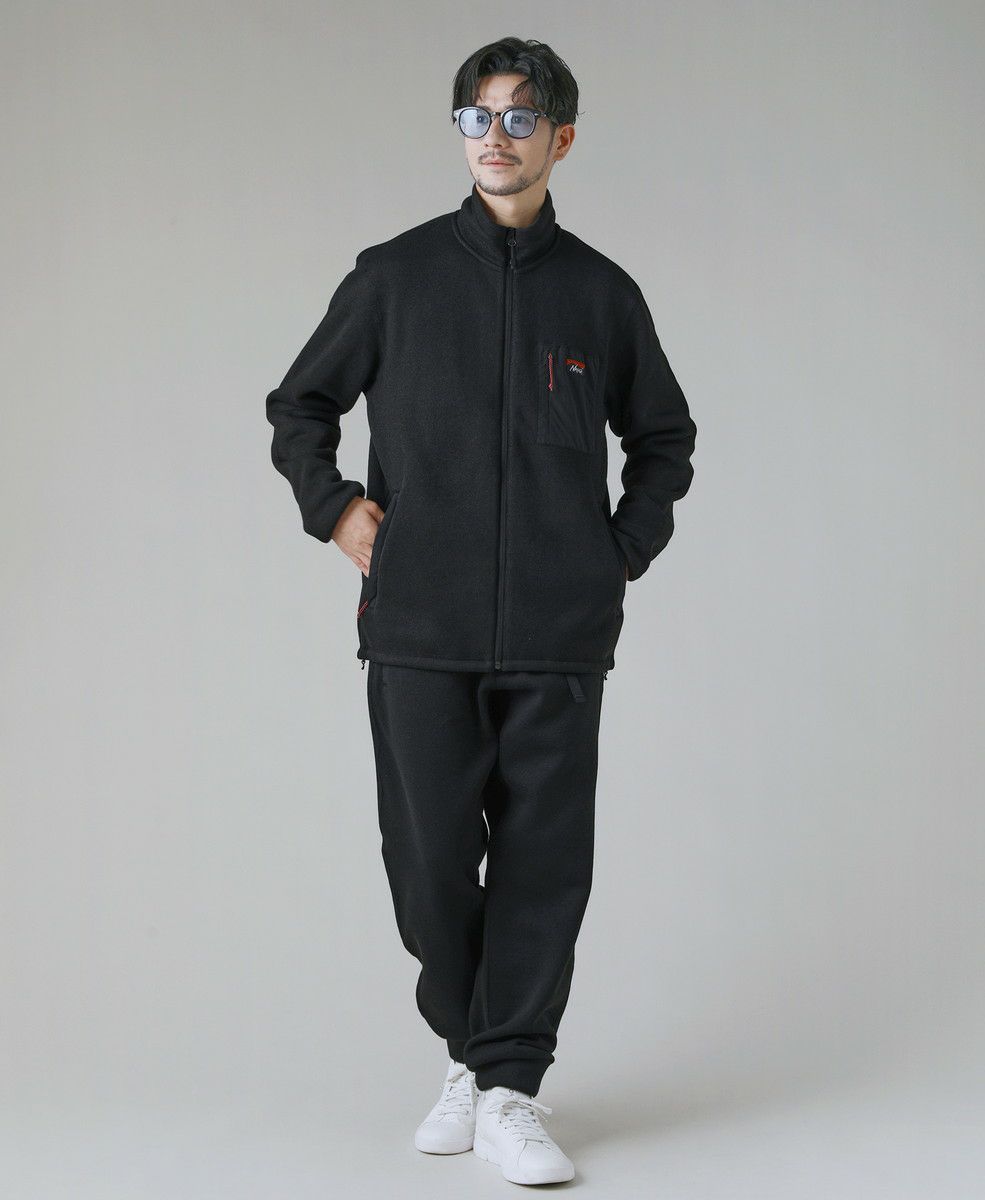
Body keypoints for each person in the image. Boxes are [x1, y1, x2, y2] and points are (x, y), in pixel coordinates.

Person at [265, 36, 697, 1187]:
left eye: (518, 118)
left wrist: (615, 555)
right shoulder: (395, 277)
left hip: (558, 634)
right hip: (419, 626)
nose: (494, 137)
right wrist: (336, 510)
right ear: (459, 133)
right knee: (428, 863)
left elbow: (662, 439)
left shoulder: (600, 295)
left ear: (561, 138)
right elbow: (300, 405)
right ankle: (472, 1049)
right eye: (476, 117)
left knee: (546, 863)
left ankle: (506, 1086)